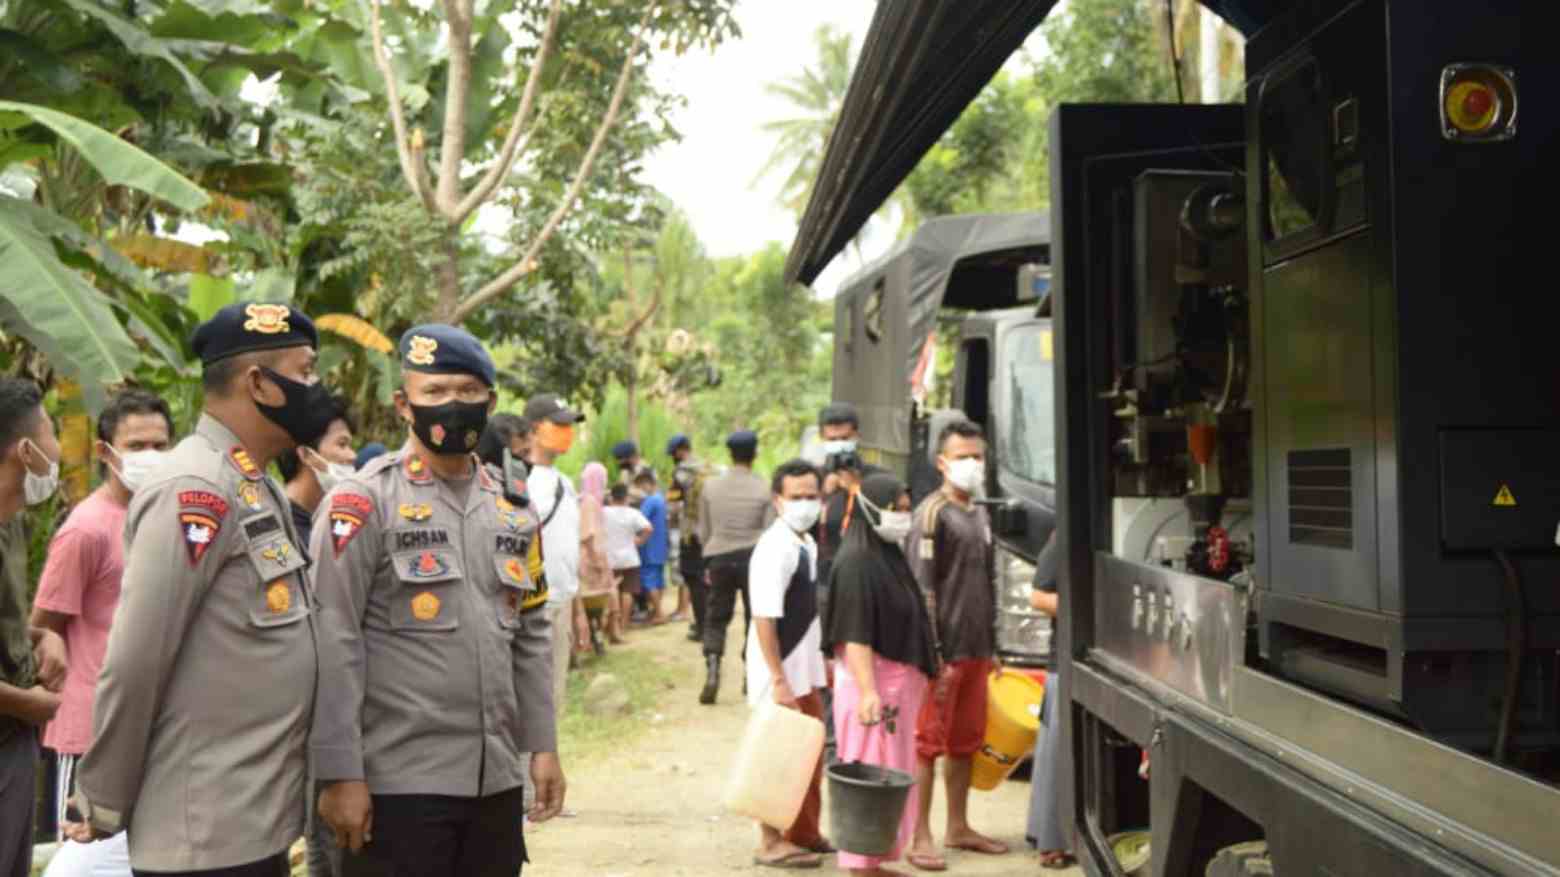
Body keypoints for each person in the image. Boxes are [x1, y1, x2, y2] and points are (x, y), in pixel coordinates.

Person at [70, 302, 324, 876]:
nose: (316, 388)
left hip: (251, 816)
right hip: (203, 829)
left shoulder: (253, 484)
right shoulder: (195, 488)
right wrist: (104, 796)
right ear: (259, 383)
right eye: (305, 372)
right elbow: (137, 657)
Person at [310, 324, 564, 875]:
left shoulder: (514, 509)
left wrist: (542, 745)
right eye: (435, 392)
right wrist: (338, 774)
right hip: (397, 785)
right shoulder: (362, 503)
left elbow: (531, 636)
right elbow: (333, 641)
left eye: (468, 392)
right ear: (404, 403)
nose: (453, 405)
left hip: (494, 783)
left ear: (491, 401)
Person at [30, 390, 172, 875]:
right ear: (105, 451)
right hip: (89, 736)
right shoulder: (85, 530)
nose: (150, 457)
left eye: (160, 445)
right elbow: (42, 627)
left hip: (151, 732)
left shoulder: (163, 519)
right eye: (136, 446)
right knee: (83, 863)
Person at [905, 420, 1009, 869]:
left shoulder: (979, 511)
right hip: (943, 653)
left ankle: (959, 826)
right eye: (963, 456)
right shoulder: (932, 514)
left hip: (977, 648)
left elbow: (989, 580)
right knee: (927, 744)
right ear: (942, 463)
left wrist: (995, 643)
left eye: (978, 456)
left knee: (966, 742)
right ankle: (919, 835)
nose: (972, 464)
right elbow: (921, 589)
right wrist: (934, 653)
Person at [823, 473, 939, 876]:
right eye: (897, 509)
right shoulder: (857, 562)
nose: (903, 517)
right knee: (869, 769)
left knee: (891, 770)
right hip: (873, 687)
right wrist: (870, 691)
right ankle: (860, 864)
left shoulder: (884, 555)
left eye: (907, 509)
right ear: (872, 509)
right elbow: (854, 634)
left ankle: (876, 859)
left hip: (895, 687)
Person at [745, 459, 831, 868]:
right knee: (777, 755)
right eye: (796, 497)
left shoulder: (806, 542)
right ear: (778, 501)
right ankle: (770, 841)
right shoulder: (774, 547)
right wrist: (777, 678)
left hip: (803, 669)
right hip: (779, 672)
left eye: (811, 496)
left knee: (809, 754)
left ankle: (804, 831)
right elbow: (764, 617)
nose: (805, 504)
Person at [0, 377, 68, 877]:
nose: (58, 448)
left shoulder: (13, 523)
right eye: (51, 431)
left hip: (14, 740)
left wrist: (43, 636)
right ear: (26, 450)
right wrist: (28, 702)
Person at [813, 402, 888, 765]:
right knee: (827, 669)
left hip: (865, 589)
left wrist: (856, 489)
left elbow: (885, 523)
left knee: (863, 665)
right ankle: (832, 745)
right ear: (821, 439)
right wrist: (824, 494)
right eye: (832, 439)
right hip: (825, 590)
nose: (839, 444)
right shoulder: (811, 482)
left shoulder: (874, 478)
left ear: (857, 437)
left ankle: (866, 740)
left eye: (845, 438)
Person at [696, 430, 774, 705]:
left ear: (730, 454)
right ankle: (749, 674)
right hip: (754, 557)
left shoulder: (710, 487)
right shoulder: (764, 488)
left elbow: (704, 530)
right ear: (754, 454)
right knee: (755, 617)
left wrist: (710, 556)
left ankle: (713, 668)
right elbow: (769, 530)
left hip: (719, 556)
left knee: (716, 615)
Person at [524, 393, 585, 718]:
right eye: (558, 425)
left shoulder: (564, 481)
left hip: (562, 603)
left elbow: (567, 548)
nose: (566, 432)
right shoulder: (521, 481)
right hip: (533, 607)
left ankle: (544, 768)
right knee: (531, 705)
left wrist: (578, 611)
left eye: (569, 426)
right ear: (534, 430)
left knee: (553, 701)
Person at [1026, 533, 1075, 870]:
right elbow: (1039, 597)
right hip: (1064, 662)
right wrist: (1084, 605)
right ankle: (1050, 841)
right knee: (1057, 753)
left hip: (1085, 658)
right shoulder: (1062, 539)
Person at [277, 394, 356, 537]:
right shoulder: (280, 526)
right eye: (342, 444)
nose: (353, 456)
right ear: (306, 455)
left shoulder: (330, 520)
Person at [666, 434, 709, 641]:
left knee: (693, 579)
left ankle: (702, 627)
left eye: (673, 453)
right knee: (707, 580)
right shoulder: (708, 468)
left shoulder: (680, 473)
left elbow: (673, 506)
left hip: (690, 534)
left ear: (680, 451)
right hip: (711, 533)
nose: (673, 457)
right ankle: (708, 624)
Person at [576, 462, 622, 647]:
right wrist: (597, 561)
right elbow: (587, 536)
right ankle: (603, 637)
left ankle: (603, 637)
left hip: (588, 556)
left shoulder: (582, 499)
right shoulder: (590, 502)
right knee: (602, 599)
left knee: (596, 600)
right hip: (591, 558)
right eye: (602, 478)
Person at [603, 484, 653, 634]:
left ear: (611, 497)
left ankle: (613, 625)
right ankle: (624, 623)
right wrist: (639, 541)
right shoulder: (633, 513)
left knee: (612, 593)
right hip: (630, 558)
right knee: (627, 592)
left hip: (609, 558)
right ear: (626, 497)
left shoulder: (603, 512)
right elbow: (648, 528)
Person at [635, 470, 670, 625]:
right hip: (660, 547)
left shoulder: (650, 501)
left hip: (649, 548)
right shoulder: (661, 499)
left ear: (647, 483)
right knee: (658, 581)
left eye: (642, 486)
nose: (641, 489)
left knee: (649, 581)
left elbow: (639, 520)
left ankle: (659, 613)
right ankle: (656, 611)